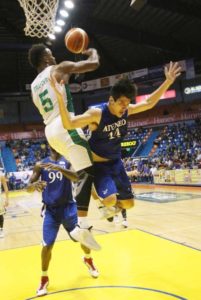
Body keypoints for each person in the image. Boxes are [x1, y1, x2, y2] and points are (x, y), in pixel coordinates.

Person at [50, 61, 181, 216]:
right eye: (121, 103)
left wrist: (168, 81)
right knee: (110, 200)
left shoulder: (126, 110)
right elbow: (68, 123)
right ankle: (99, 198)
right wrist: (59, 98)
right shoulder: (97, 114)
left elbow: (148, 102)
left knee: (129, 204)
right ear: (111, 100)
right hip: (99, 166)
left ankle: (110, 208)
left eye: (127, 103)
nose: (124, 107)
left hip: (116, 163)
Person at [28, 44, 100, 250]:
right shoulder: (57, 69)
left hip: (50, 132)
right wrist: (92, 51)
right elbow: (93, 64)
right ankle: (83, 226)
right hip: (64, 124)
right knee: (90, 167)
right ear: (44, 58)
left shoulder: (33, 86)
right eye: (50, 54)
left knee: (81, 173)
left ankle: (101, 209)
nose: (54, 56)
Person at [27, 147, 99, 297]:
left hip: (68, 208)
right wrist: (33, 186)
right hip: (51, 211)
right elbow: (28, 186)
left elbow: (76, 177)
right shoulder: (40, 164)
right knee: (47, 245)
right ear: (49, 143)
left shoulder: (67, 161)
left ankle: (88, 260)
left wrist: (60, 168)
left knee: (81, 237)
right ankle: (44, 279)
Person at [0, 172, 9, 238]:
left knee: (0, 214)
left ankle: (1, 230)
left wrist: (7, 199)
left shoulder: (1, 175)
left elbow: (6, 188)